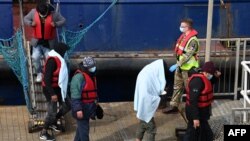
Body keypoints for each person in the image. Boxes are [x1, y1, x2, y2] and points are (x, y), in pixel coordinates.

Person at [163, 18, 200, 113]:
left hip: (189, 69)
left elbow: (188, 55)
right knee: (177, 87)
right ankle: (174, 106)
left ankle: (192, 109)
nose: (181, 28)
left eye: (183, 26)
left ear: (188, 27)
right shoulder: (183, 36)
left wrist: (177, 64)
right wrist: (178, 65)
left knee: (190, 89)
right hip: (180, 67)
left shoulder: (193, 40)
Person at [24, 1, 66, 82]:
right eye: (41, 13)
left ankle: (47, 75)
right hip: (37, 43)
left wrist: (56, 24)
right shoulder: (33, 12)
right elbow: (25, 19)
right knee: (35, 58)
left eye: (45, 13)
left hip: (49, 44)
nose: (43, 14)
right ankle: (39, 73)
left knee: (49, 60)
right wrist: (30, 23)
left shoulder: (54, 14)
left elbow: (63, 20)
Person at [40, 42, 71, 141]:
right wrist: (52, 94)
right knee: (51, 112)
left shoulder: (60, 59)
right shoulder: (52, 61)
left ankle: (53, 122)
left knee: (68, 105)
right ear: (61, 51)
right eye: (65, 51)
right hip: (50, 90)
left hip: (58, 87)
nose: (65, 53)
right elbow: (46, 79)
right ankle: (43, 132)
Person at [184, 61, 221, 141]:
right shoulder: (197, 81)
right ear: (207, 72)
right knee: (191, 131)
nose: (212, 75)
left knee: (204, 129)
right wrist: (195, 118)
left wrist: (217, 76)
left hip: (202, 113)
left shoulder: (206, 77)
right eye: (212, 73)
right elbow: (193, 101)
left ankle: (208, 137)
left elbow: (212, 81)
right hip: (195, 112)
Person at [134, 59, 169, 141]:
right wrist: (158, 98)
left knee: (142, 124)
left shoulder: (148, 70)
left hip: (142, 104)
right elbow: (147, 96)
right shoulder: (148, 74)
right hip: (146, 104)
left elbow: (153, 85)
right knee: (151, 128)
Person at [70, 56, 100, 141]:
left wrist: (96, 107)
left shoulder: (90, 75)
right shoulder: (78, 78)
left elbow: (93, 94)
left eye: (94, 66)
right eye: (91, 67)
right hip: (82, 109)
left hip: (88, 108)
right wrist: (78, 109)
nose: (93, 68)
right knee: (84, 131)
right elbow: (75, 96)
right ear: (86, 67)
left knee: (80, 130)